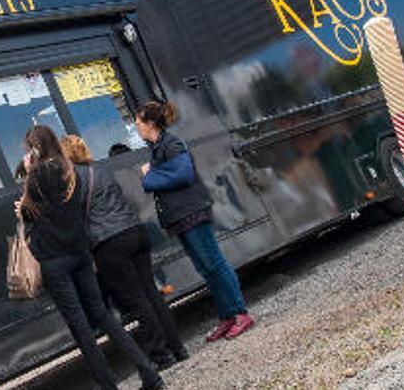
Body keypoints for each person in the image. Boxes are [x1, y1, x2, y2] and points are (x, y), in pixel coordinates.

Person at [16, 126, 164, 390]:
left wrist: (28, 174)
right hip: (80, 254)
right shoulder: (70, 171)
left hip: (54, 261)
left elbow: (28, 213)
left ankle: (109, 385)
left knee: (81, 327)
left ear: (33, 148)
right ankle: (149, 373)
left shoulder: (37, 176)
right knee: (104, 316)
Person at [60, 135, 189, 370]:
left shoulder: (72, 180)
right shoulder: (101, 169)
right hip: (135, 231)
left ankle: (161, 355)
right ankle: (177, 347)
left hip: (110, 242)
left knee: (135, 299)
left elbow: (72, 217)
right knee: (150, 292)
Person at [135, 100, 255, 342]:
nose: (135, 126)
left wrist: (150, 176)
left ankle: (240, 313)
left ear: (149, 123)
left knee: (214, 263)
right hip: (181, 217)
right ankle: (227, 316)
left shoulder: (171, 143)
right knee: (205, 268)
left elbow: (184, 174)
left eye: (137, 122)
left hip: (193, 213)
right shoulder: (158, 147)